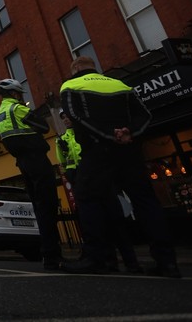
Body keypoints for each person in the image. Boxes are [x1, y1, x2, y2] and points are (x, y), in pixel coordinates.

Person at [60, 56, 180, 278]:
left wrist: (108, 135)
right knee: (145, 201)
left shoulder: (70, 85)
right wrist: (129, 133)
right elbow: (145, 115)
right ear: (94, 68)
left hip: (97, 150)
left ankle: (96, 258)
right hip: (129, 150)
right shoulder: (120, 84)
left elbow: (77, 116)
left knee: (88, 198)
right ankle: (167, 261)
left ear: (75, 68)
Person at [57, 109, 142, 274]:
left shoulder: (90, 129)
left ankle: (130, 262)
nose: (66, 120)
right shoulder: (62, 139)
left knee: (114, 219)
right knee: (99, 220)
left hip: (99, 175)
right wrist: (71, 175)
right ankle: (109, 261)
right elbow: (63, 162)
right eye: (63, 118)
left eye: (67, 116)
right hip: (81, 179)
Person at [0, 78, 62, 270]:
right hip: (37, 159)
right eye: (20, 94)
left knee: (39, 207)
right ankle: (52, 256)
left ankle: (48, 254)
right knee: (48, 205)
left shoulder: (0, 114)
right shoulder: (17, 109)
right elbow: (43, 127)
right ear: (15, 94)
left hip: (22, 162)